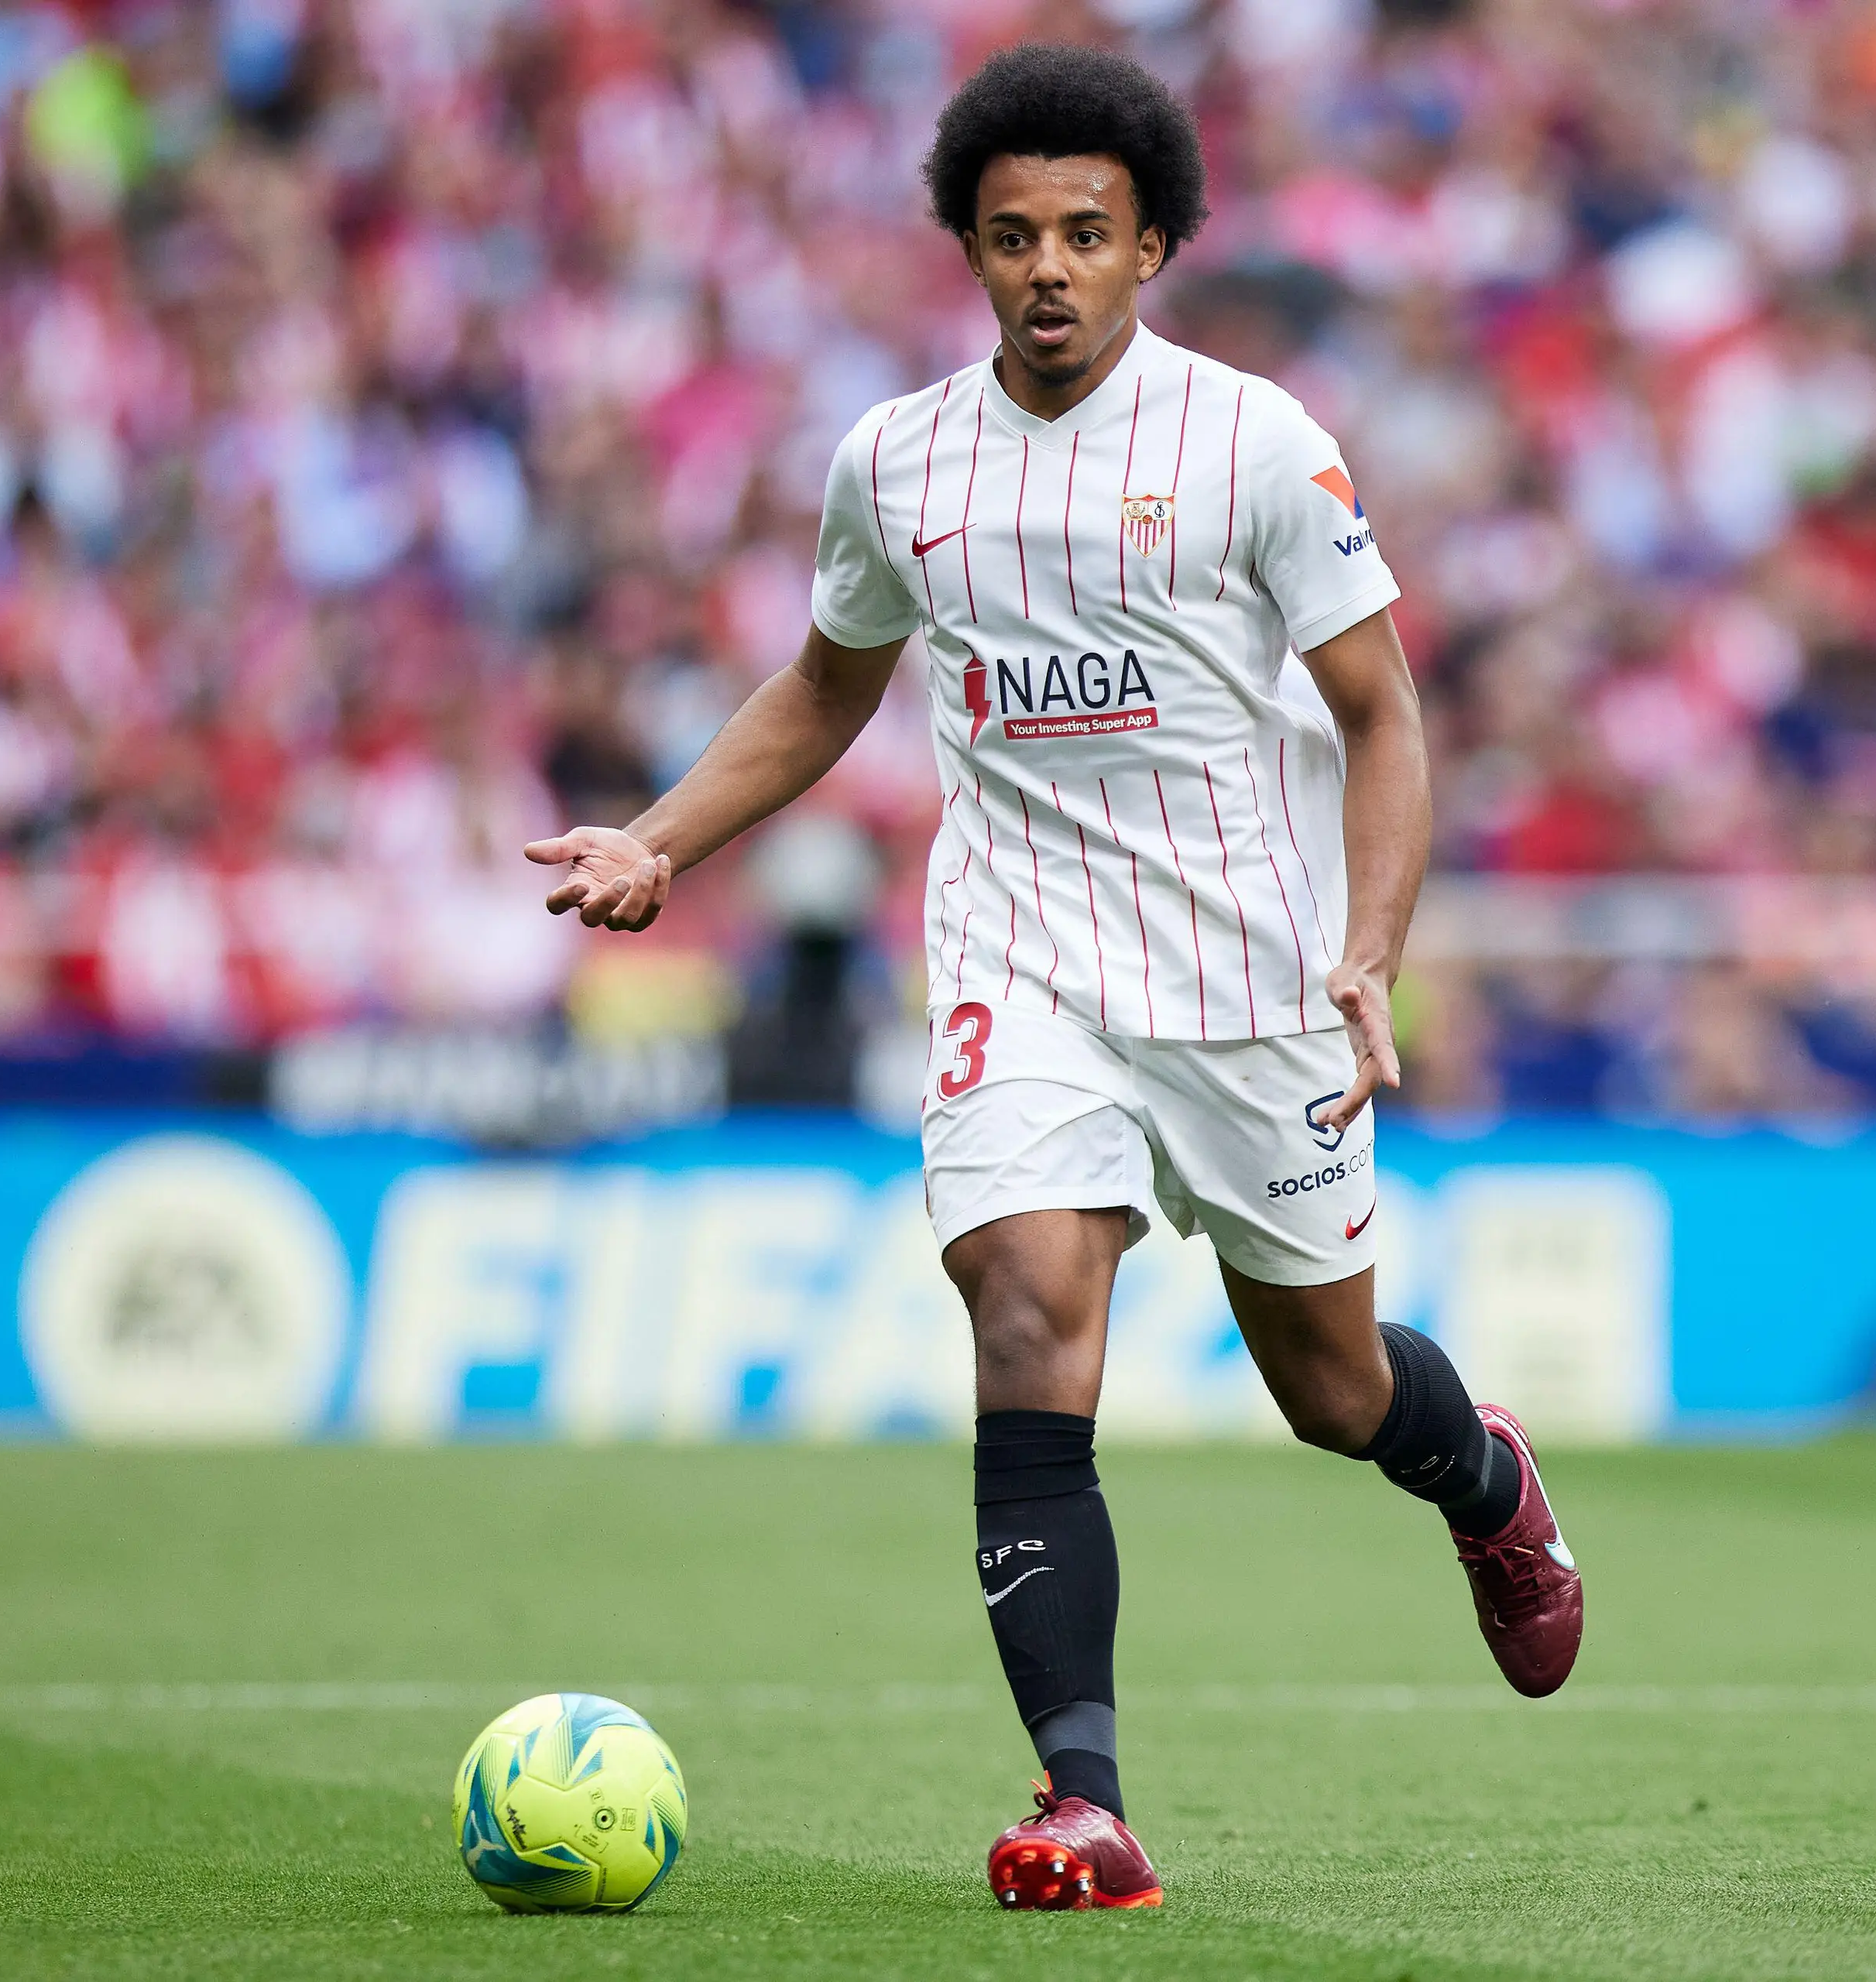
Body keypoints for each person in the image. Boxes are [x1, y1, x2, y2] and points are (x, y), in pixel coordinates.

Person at [526, 44, 1580, 1912]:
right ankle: (1083, 1801)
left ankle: (1483, 1480)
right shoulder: (897, 461)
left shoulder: (1256, 444)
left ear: (1153, 243)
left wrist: (1367, 949)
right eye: (1011, 236)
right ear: (969, 248)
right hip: (1023, 959)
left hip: (1248, 973)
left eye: (1086, 234)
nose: (1048, 270)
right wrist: (660, 841)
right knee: (1027, 1310)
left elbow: (1381, 716)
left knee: (1335, 1395)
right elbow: (828, 686)